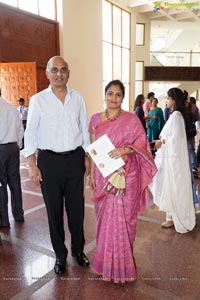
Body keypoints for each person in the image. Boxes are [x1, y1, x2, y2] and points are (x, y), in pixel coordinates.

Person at [23, 56, 90, 275]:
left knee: (77, 211)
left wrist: (87, 157)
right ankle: (60, 255)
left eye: (63, 70)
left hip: (74, 160)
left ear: (68, 73)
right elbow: (30, 132)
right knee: (54, 213)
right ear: (47, 73)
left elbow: (85, 130)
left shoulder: (78, 98)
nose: (59, 74)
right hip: (49, 162)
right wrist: (32, 165)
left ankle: (78, 251)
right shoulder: (38, 100)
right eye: (55, 70)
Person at [89, 80, 157, 283]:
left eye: (118, 95)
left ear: (123, 97)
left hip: (127, 175)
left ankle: (123, 267)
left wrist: (125, 150)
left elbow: (142, 143)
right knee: (104, 221)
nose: (114, 98)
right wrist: (92, 175)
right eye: (110, 93)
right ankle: (105, 265)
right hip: (103, 176)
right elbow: (93, 150)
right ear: (105, 94)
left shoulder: (131, 120)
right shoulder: (95, 119)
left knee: (126, 221)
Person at [152, 87, 195, 233]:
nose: (166, 100)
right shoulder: (175, 115)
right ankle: (170, 216)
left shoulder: (176, 116)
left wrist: (162, 142)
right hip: (171, 158)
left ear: (174, 100)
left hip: (173, 159)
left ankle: (176, 217)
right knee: (168, 185)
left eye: (168, 98)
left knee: (173, 186)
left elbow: (175, 141)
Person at [0, 89, 24, 228]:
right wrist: (17, 145)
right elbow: (21, 130)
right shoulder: (13, 109)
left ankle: (4, 220)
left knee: (1, 184)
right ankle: (18, 214)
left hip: (0, 149)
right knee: (15, 181)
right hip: (13, 148)